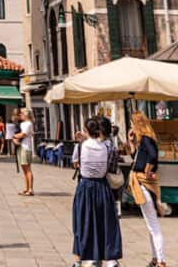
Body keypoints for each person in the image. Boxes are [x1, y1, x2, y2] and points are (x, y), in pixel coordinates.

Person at [71, 117, 122, 267]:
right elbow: (111, 168)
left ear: (86, 131)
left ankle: (83, 258)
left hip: (85, 187)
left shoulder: (81, 146)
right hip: (103, 187)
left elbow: (76, 164)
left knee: (82, 222)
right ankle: (110, 259)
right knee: (106, 222)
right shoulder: (109, 147)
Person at [128, 110, 166, 267]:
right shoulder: (143, 140)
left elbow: (151, 156)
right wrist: (131, 142)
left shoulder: (146, 140)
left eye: (132, 123)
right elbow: (135, 157)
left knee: (153, 225)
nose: (131, 126)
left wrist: (147, 171)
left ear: (137, 124)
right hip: (144, 183)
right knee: (151, 224)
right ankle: (155, 258)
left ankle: (161, 261)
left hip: (144, 183)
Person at [13, 107, 34, 195]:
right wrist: (15, 138)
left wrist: (14, 136)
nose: (20, 115)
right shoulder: (22, 124)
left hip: (26, 147)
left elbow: (23, 134)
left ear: (26, 114)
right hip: (21, 147)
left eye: (21, 113)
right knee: (24, 169)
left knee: (28, 169)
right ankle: (26, 188)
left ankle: (31, 189)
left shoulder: (29, 123)